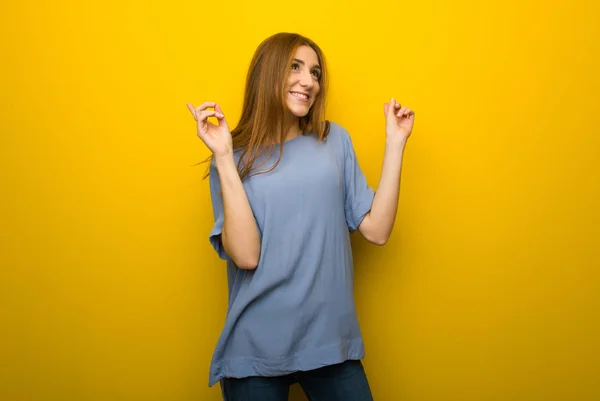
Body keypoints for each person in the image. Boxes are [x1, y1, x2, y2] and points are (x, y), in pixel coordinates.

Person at [186, 32, 414, 401]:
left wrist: (396, 143)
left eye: (315, 72)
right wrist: (226, 158)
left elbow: (377, 229)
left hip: (328, 340)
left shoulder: (333, 140)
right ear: (268, 72)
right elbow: (246, 256)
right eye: (295, 67)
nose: (309, 81)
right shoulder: (232, 157)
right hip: (255, 344)